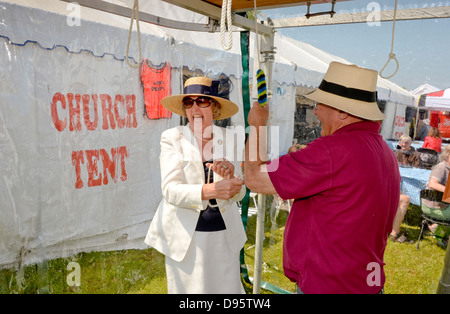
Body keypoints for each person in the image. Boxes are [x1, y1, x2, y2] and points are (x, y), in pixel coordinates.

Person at [244, 62, 400, 294]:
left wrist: (257, 124)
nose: (315, 111)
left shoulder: (332, 150)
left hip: (328, 285)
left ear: (342, 112)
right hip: (368, 283)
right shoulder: (386, 152)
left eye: (319, 104)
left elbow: (254, 177)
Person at [145, 77, 247, 294]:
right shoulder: (172, 138)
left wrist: (232, 179)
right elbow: (170, 191)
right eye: (189, 102)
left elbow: (241, 192)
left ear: (215, 107)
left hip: (224, 236)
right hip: (186, 240)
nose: (194, 107)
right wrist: (210, 190)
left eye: (202, 101)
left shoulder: (230, 138)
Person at [423, 145, 450, 241]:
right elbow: (432, 184)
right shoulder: (441, 167)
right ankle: (440, 233)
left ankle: (438, 230)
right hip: (433, 206)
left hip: (442, 204)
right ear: (447, 155)